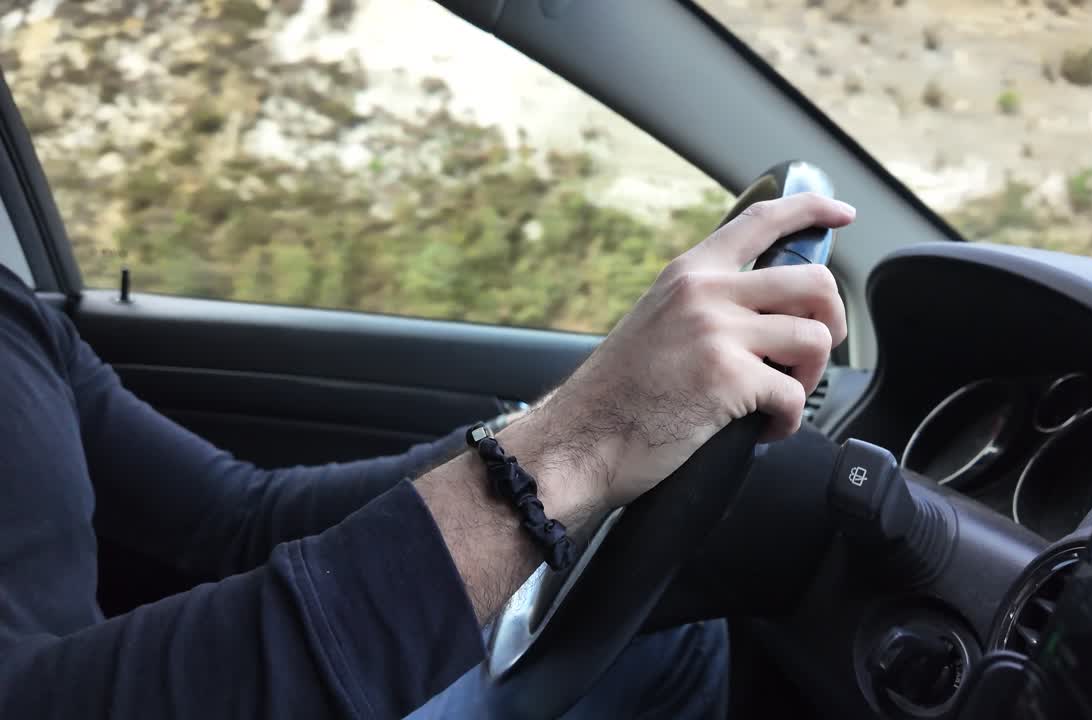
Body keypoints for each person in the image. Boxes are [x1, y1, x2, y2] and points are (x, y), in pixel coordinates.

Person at [0, 192, 855, 718]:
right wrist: (575, 446)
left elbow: (232, 515)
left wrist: (570, 411)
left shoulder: (16, 320)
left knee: (666, 634)